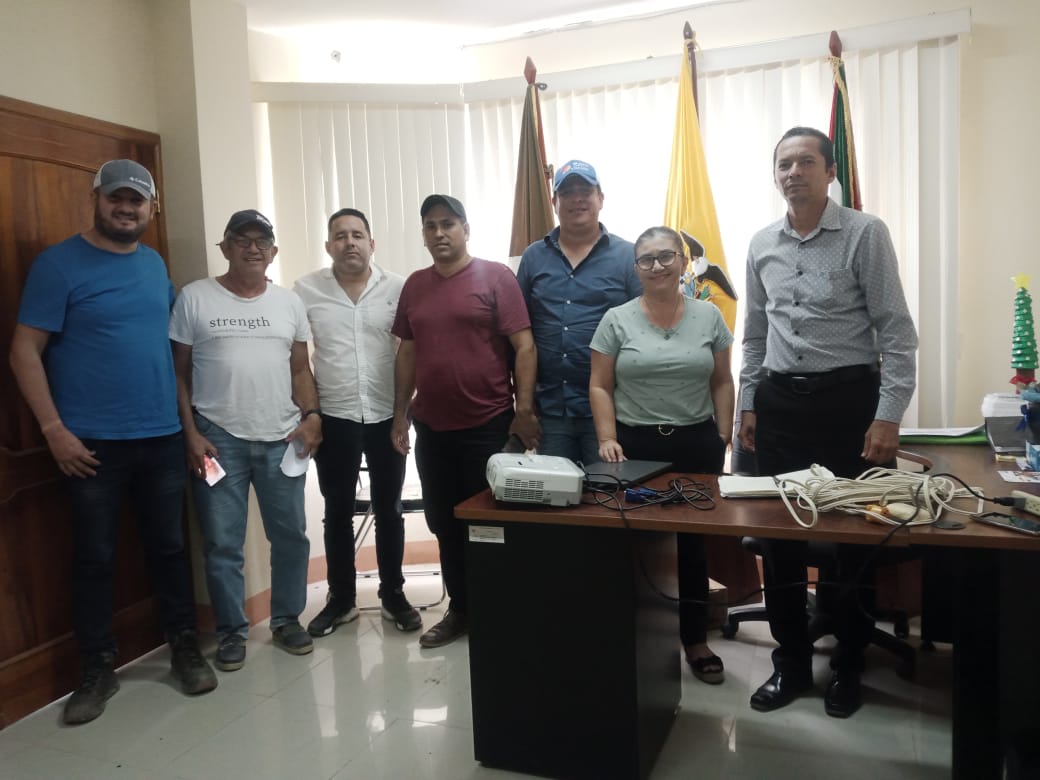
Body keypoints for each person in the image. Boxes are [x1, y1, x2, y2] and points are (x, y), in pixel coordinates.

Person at [9, 159, 217, 725]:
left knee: (170, 550)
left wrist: (188, 430)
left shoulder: (153, 265)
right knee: (94, 557)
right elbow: (24, 351)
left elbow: (169, 354)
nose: (126, 209)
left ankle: (183, 647)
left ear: (152, 208)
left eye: (136, 200)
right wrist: (54, 431)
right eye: (116, 198)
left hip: (162, 437)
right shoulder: (58, 265)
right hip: (91, 447)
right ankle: (97, 668)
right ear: (96, 199)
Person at [738, 127, 918, 718]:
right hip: (780, 406)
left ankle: (849, 664)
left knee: (850, 540)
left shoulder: (865, 233)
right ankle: (790, 662)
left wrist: (887, 416)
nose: (793, 172)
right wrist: (747, 404)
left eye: (805, 161)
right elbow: (755, 335)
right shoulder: (761, 243)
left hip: (849, 405)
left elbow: (896, 333)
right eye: (783, 164)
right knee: (780, 541)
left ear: (830, 170)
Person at [170, 209, 322, 671]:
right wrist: (190, 434)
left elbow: (300, 369)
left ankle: (286, 620)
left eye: (262, 241)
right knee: (222, 543)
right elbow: (178, 375)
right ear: (225, 247)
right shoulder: (195, 298)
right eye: (242, 239)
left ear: (273, 252)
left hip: (283, 437)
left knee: (291, 537)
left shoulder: (288, 303)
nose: (252, 248)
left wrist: (313, 416)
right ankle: (231, 632)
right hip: (217, 440)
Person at [390, 194, 539, 648]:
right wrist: (399, 416)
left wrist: (524, 411)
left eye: (448, 224)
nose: (439, 233)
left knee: (490, 525)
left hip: (488, 426)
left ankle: (499, 611)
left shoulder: (496, 277)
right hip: (433, 430)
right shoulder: (415, 285)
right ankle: (461, 610)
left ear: (466, 229)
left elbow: (525, 347)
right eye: (430, 226)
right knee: (443, 522)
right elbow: (407, 352)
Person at [589, 225, 734, 684]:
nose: (657, 266)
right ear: (636, 268)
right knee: (637, 545)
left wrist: (723, 432)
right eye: (647, 259)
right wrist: (607, 437)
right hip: (635, 447)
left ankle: (695, 639)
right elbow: (599, 385)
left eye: (666, 256)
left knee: (691, 546)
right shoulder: (617, 319)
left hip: (696, 443)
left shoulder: (709, 316)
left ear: (683, 261)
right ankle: (637, 636)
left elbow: (722, 380)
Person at [294, 208, 422, 636]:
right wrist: (310, 413)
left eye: (357, 234)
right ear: (328, 245)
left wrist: (405, 411)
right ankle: (341, 600)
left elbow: (412, 351)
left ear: (372, 243)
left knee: (389, 509)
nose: (349, 242)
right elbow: (298, 361)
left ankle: (394, 595)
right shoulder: (306, 290)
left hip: (389, 415)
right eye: (340, 235)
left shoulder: (398, 288)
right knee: (337, 511)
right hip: (334, 416)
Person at [516, 160, 641, 465]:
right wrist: (523, 404)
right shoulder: (533, 257)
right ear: (555, 202)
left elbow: (645, 328)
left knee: (610, 491)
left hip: (614, 410)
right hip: (551, 411)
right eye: (567, 192)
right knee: (558, 493)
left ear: (601, 199)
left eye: (585, 191)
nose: (577, 199)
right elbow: (519, 334)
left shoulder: (628, 256)